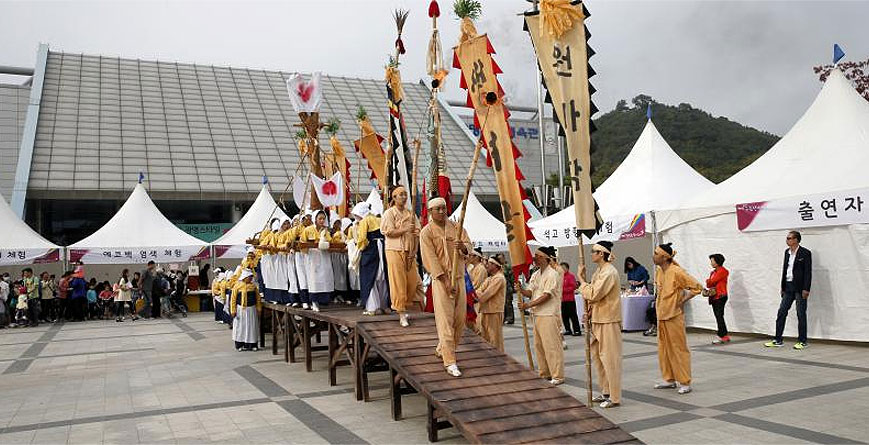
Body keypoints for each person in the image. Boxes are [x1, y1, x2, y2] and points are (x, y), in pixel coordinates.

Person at [420, 197, 471, 377]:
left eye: (443, 208)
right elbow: (430, 259)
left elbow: (469, 249)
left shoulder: (457, 228)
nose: (442, 212)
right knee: (445, 322)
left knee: (459, 320)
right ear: (431, 212)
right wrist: (445, 281)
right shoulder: (426, 232)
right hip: (441, 281)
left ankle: (443, 348)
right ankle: (450, 361)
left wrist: (462, 247)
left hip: (458, 278)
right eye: (438, 209)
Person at [652, 243, 703, 394]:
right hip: (662, 316)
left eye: (656, 253)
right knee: (664, 349)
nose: (653, 256)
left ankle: (685, 381)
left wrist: (682, 301)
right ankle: (669, 379)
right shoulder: (659, 271)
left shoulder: (677, 272)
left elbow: (697, 287)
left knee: (679, 349)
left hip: (674, 316)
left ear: (665, 257)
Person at [579, 241, 623, 408]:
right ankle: (606, 391)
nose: (592, 254)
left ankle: (615, 396)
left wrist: (581, 280)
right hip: (598, 318)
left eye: (594, 251)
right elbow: (593, 296)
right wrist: (588, 312)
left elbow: (594, 294)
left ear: (602, 254)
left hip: (609, 319)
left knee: (610, 358)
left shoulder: (609, 273)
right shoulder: (599, 271)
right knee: (598, 357)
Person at [516, 246, 565, 385]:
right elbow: (531, 292)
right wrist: (521, 290)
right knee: (539, 346)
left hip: (549, 314)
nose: (534, 258)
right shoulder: (536, 274)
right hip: (537, 314)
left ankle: (557, 375)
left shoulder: (553, 274)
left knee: (552, 346)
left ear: (545, 258)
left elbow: (546, 296)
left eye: (537, 255)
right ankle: (545, 372)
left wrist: (528, 305)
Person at [766, 231, 812, 350]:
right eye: (787, 238)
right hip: (788, 286)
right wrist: (782, 286)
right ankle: (778, 339)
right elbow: (785, 269)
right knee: (781, 311)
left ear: (796, 240)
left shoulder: (805, 253)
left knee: (801, 313)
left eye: (789, 238)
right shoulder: (786, 252)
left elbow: (808, 272)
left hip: (800, 287)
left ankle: (802, 341)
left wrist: (806, 288)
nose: (787, 240)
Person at [381, 186, 420, 327]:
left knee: (412, 281)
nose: (404, 197)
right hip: (394, 250)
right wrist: (405, 229)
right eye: (400, 194)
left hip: (409, 251)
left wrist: (417, 232)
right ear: (394, 197)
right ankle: (401, 312)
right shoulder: (389, 213)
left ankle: (404, 305)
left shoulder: (411, 213)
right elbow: (388, 231)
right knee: (398, 281)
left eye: (405, 194)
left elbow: (418, 229)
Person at [354, 202, 389, 315]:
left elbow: (362, 239)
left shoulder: (365, 221)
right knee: (382, 277)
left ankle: (372, 307)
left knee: (370, 277)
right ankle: (384, 305)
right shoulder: (380, 219)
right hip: (382, 248)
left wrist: (359, 248)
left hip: (371, 250)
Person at [302, 210, 334, 312]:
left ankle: (323, 300)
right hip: (313, 256)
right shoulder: (307, 230)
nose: (322, 220)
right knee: (313, 279)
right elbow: (302, 243)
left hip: (323, 256)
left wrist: (325, 242)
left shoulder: (325, 230)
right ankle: (314, 301)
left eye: (323, 219)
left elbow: (330, 241)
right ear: (315, 219)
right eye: (320, 218)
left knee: (324, 277)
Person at [476, 256, 506, 351]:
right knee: (486, 339)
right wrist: (479, 294)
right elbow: (478, 291)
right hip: (485, 311)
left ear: (495, 265)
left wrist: (479, 295)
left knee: (495, 340)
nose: (487, 265)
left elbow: (486, 294)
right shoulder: (489, 278)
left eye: (489, 263)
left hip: (494, 312)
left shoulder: (499, 278)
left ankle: (498, 360)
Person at [230, 269, 261, 351]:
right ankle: (240, 345)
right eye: (250, 277)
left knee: (252, 327)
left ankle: (252, 345)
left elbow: (258, 298)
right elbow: (233, 299)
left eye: (251, 277)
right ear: (245, 277)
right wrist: (233, 311)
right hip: (240, 310)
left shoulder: (253, 286)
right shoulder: (237, 286)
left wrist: (259, 308)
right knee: (240, 328)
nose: (251, 278)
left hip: (252, 310)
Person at [705, 253, 730, 344]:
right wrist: (709, 281)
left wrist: (709, 281)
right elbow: (709, 284)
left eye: (712, 261)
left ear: (717, 261)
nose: (711, 263)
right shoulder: (713, 272)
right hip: (715, 296)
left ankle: (721, 335)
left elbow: (711, 282)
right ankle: (725, 335)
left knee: (719, 316)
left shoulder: (723, 271)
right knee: (719, 316)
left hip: (720, 296)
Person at [330, 218, 350, 305]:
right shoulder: (334, 234)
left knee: (343, 276)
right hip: (336, 256)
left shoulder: (344, 234)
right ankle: (335, 295)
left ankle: (341, 294)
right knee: (337, 275)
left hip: (342, 256)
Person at [560, 262, 581, 336]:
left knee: (573, 315)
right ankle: (568, 329)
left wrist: (564, 290)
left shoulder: (570, 276)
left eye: (563, 268)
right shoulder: (560, 277)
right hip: (562, 300)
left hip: (570, 299)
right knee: (564, 316)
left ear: (567, 268)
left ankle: (577, 330)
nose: (562, 269)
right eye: (561, 268)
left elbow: (574, 286)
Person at [496, 253, 515, 325]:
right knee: (502, 303)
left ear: (504, 258)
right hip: (500, 289)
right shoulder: (498, 267)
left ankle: (510, 318)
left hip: (508, 288)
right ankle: (503, 318)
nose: (500, 260)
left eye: (501, 258)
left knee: (508, 303)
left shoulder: (508, 267)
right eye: (499, 258)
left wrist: (513, 288)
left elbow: (512, 278)